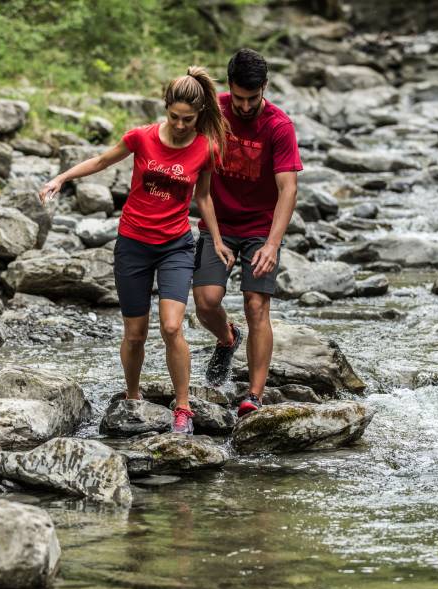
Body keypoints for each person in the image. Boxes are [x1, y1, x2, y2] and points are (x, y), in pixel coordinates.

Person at [39, 66, 233, 435]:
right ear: (165, 109)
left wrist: (219, 241)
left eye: (187, 119)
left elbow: (204, 197)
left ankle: (183, 407)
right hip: (133, 244)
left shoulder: (206, 147)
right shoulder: (140, 138)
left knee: (172, 327)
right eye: (174, 117)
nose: (179, 125)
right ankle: (132, 396)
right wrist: (62, 178)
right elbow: (100, 161)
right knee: (135, 334)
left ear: (200, 116)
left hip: (176, 245)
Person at [192, 48, 303, 417]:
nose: (243, 106)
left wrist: (272, 244)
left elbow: (288, 188)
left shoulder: (278, 126)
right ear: (229, 87)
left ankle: (253, 395)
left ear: (265, 88)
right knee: (206, 301)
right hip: (218, 223)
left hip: (260, 228)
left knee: (257, 305)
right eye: (238, 97)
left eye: (252, 98)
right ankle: (228, 338)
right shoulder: (215, 110)